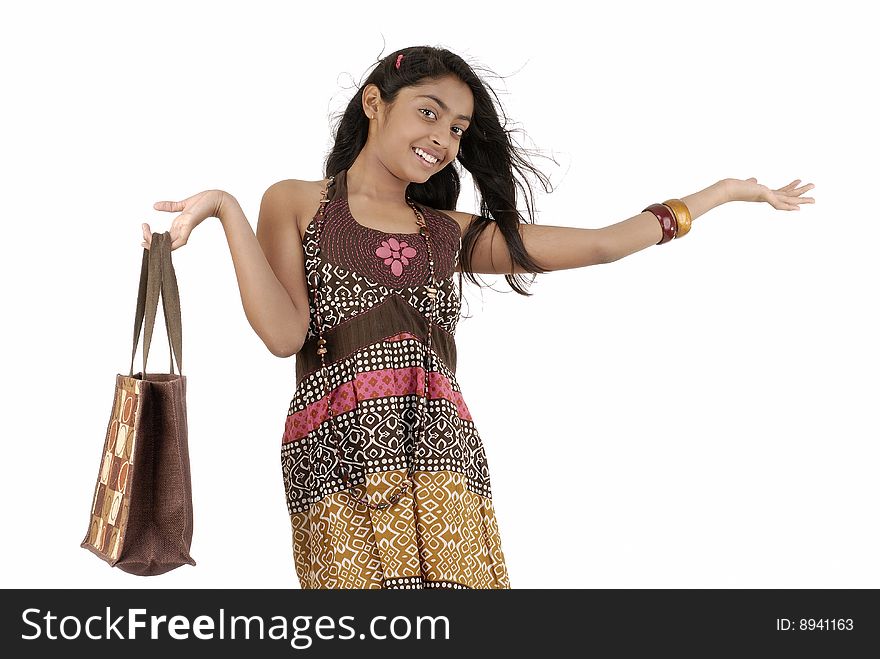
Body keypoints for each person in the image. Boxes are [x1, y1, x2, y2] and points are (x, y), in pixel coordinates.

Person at [139, 46, 815, 589]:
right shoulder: (295, 202)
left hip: (443, 454)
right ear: (374, 103)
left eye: (457, 129)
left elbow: (605, 242)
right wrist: (226, 208)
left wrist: (722, 194)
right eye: (429, 114)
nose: (443, 138)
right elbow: (284, 333)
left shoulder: (450, 232)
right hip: (334, 454)